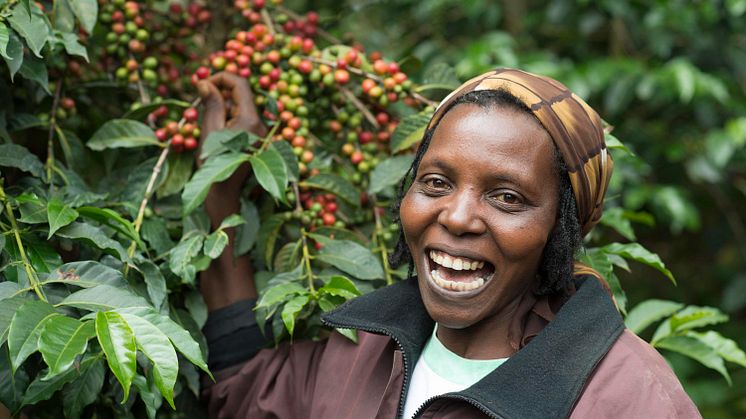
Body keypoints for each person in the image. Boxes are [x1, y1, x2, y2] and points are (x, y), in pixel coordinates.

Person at [196, 69, 701, 418]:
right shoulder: (364, 347)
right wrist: (220, 191)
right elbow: (245, 392)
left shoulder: (629, 397)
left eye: (507, 197)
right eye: (436, 183)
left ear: (562, 226)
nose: (457, 217)